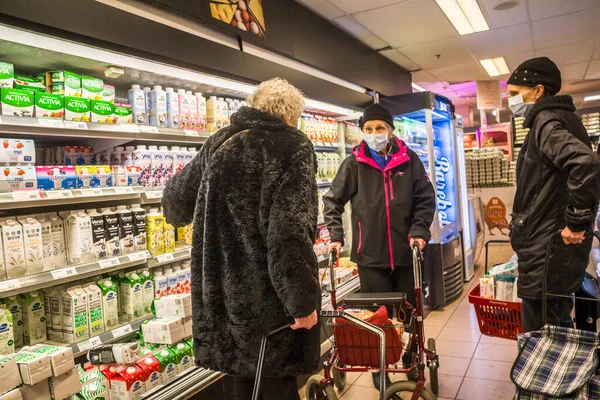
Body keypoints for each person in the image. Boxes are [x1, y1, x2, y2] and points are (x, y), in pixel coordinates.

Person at [162, 78, 320, 400]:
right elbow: (288, 233)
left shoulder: (220, 140)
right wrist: (302, 303)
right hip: (269, 309)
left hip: (221, 305)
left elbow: (175, 203)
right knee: (275, 387)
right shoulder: (292, 146)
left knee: (241, 389)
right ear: (292, 117)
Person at [323, 102, 436, 390]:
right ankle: (379, 365)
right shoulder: (353, 164)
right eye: (369, 129)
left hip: (406, 252)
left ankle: (411, 353)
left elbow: (425, 198)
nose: (375, 133)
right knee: (377, 315)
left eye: (380, 128)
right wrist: (336, 236)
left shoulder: (409, 160)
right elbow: (332, 202)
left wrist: (420, 230)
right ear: (362, 132)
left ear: (390, 130)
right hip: (370, 256)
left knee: (409, 313)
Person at [507, 57, 600, 333]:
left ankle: (545, 377)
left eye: (514, 93)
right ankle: (563, 374)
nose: (510, 100)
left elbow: (585, 163)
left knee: (540, 334)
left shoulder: (546, 121)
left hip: (545, 247)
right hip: (551, 246)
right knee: (557, 323)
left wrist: (577, 221)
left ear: (537, 91)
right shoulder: (561, 118)